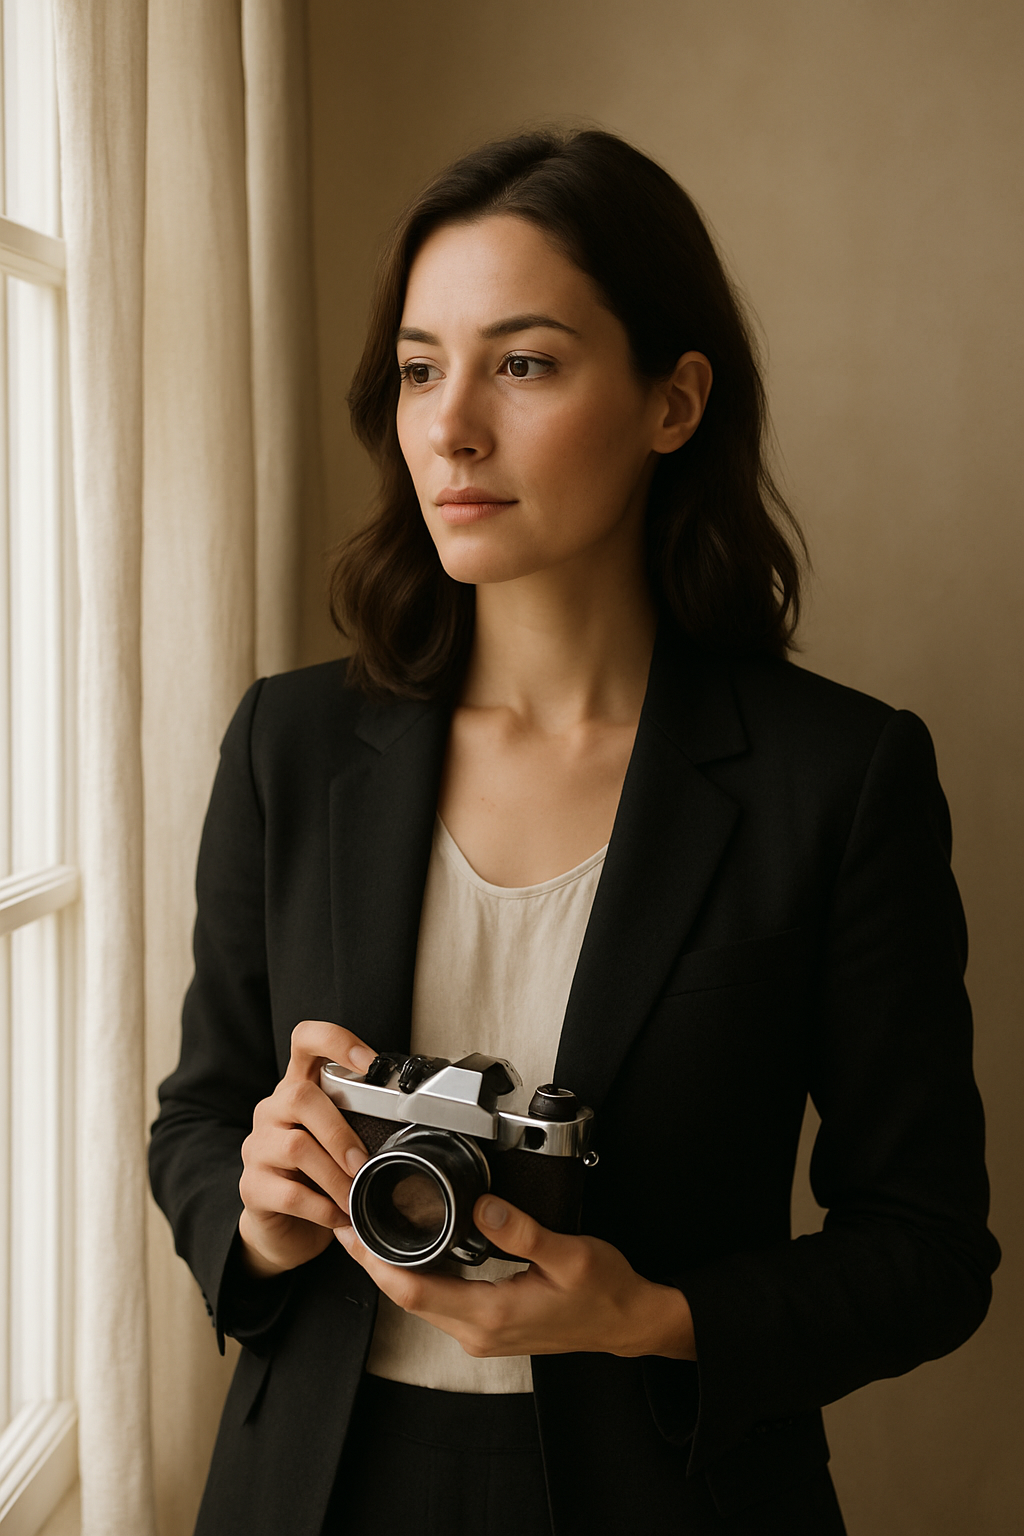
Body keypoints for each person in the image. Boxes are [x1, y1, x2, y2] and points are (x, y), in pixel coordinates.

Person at [149, 128, 999, 1536]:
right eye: (422, 367)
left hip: (672, 1492)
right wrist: (255, 1211)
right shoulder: (288, 745)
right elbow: (198, 1115)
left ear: (675, 402)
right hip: (309, 1486)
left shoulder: (840, 778)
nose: (450, 425)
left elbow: (928, 1250)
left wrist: (653, 1316)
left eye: (523, 363)